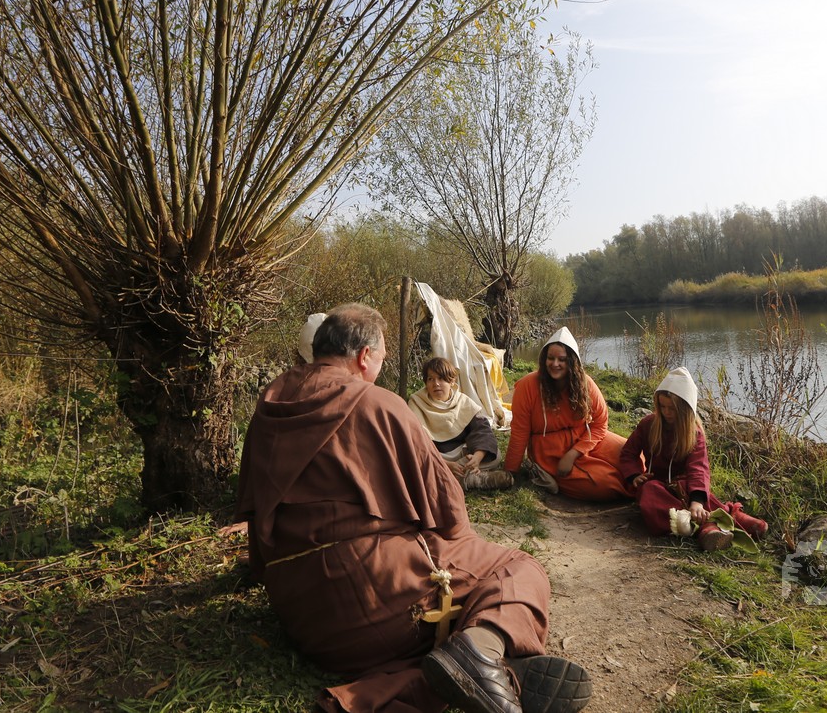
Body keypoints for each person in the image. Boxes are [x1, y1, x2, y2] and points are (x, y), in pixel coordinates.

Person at [236, 304, 591, 713]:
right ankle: (483, 652)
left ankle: (489, 669)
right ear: (364, 356)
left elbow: (254, 513)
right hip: (378, 610)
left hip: (304, 620)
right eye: (381, 359)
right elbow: (448, 513)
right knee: (518, 568)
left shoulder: (269, 405)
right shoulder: (379, 404)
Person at [618, 367, 769, 552]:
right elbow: (628, 453)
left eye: (672, 408)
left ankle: (725, 517)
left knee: (695, 494)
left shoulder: (694, 433)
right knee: (649, 494)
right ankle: (708, 525)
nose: (666, 412)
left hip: (685, 484)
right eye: (662, 407)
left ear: (685, 408)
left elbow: (698, 468)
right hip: (657, 484)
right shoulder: (648, 424)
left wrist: (696, 501)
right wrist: (634, 475)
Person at [503, 327, 632, 501]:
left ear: (572, 361)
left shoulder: (585, 384)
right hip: (548, 449)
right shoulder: (527, 386)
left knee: (632, 455)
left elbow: (600, 423)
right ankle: (538, 470)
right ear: (544, 358)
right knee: (607, 484)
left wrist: (574, 453)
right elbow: (520, 433)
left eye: (562, 359)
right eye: (550, 358)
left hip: (585, 438)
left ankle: (649, 488)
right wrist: (510, 471)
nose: (555, 364)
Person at [408, 356, 514, 492]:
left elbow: (482, 430)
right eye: (430, 379)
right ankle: (471, 479)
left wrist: (477, 458)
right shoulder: (416, 403)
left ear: (452, 381)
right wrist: (445, 464)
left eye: (441, 378)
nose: (436, 384)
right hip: (435, 456)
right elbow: (415, 442)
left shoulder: (463, 401)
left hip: (460, 455)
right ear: (426, 383)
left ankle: (447, 477)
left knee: (495, 455)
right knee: (414, 462)